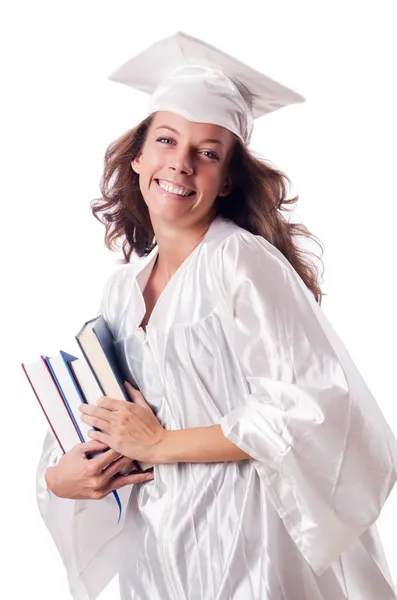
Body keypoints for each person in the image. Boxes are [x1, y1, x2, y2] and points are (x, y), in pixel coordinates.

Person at [37, 32, 397, 600]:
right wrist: (61, 478)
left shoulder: (241, 262)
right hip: (157, 550)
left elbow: (306, 409)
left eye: (208, 152)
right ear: (138, 156)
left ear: (227, 178)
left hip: (248, 541)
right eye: (166, 140)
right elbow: (101, 413)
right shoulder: (119, 291)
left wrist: (159, 445)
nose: (181, 163)